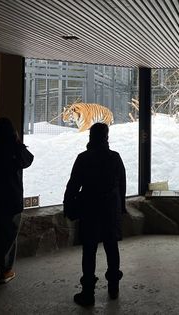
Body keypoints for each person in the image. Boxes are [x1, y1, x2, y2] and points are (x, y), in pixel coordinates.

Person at [64, 122, 127, 306]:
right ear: (106, 137)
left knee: (89, 250)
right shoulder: (115, 158)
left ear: (90, 137)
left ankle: (88, 293)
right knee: (111, 247)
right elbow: (121, 186)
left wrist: (68, 206)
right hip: (110, 209)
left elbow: (73, 185)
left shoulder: (83, 158)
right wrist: (120, 207)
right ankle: (113, 287)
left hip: (89, 209)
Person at [0, 117, 34, 285]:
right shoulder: (14, 150)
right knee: (9, 237)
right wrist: (17, 142)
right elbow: (29, 159)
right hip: (11, 201)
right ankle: (5, 271)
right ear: (13, 133)